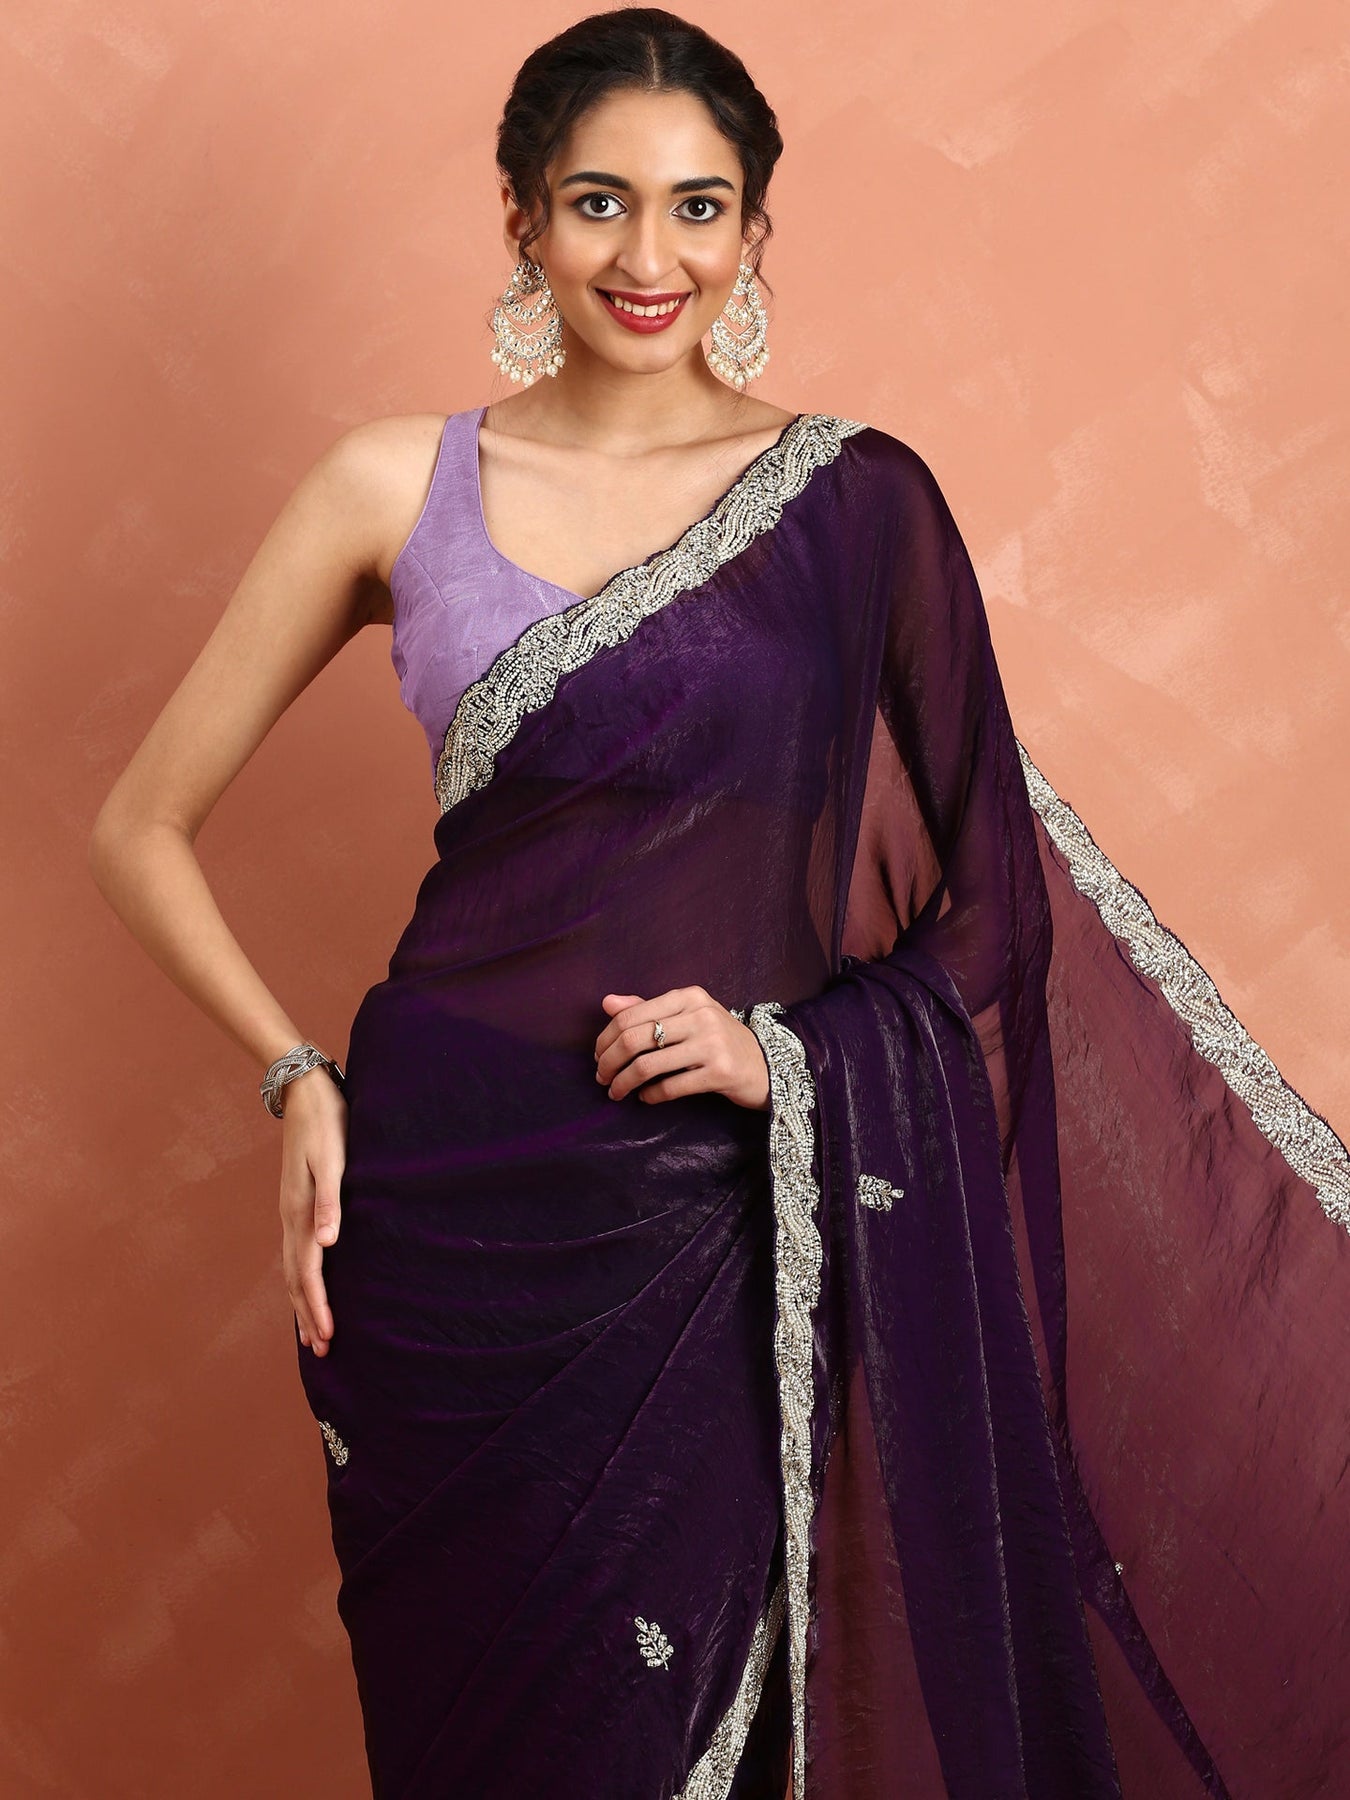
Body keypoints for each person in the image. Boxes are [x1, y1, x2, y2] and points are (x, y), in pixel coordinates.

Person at [88, 9, 1350, 1799]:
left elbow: (994, 915)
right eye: (598, 201)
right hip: (444, 1213)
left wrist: (790, 1060)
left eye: (698, 207)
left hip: (720, 1220)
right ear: (523, 217)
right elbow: (140, 824)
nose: (649, 255)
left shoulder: (855, 503)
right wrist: (296, 1079)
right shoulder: (393, 485)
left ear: (756, 229)